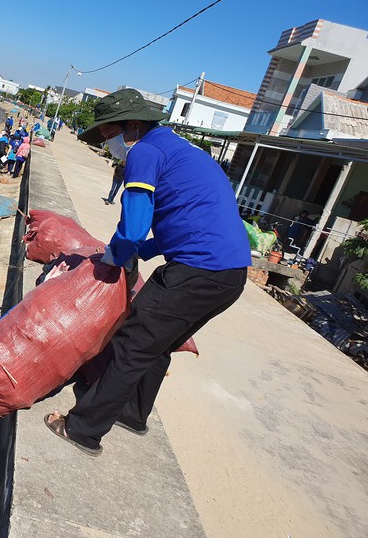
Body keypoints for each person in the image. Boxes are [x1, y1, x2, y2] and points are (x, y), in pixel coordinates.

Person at [44, 88, 251, 456]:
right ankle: (133, 413)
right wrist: (137, 250)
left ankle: (83, 429)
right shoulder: (182, 149)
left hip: (197, 270)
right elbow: (184, 225)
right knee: (159, 346)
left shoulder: (145, 151)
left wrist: (116, 255)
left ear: (134, 124)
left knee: (132, 343)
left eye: (111, 135)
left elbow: (136, 224)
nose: (111, 145)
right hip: (230, 274)